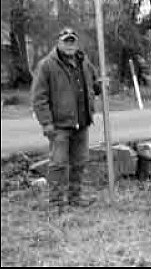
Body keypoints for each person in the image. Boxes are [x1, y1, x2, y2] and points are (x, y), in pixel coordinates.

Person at [31, 27, 101, 210]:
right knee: (58, 164)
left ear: (76, 44)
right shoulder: (47, 65)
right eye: (66, 41)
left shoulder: (84, 62)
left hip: (82, 122)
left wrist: (100, 85)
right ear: (58, 43)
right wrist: (46, 123)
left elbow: (94, 84)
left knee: (79, 162)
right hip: (59, 125)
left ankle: (75, 198)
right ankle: (55, 202)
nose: (69, 45)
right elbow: (39, 97)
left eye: (72, 41)